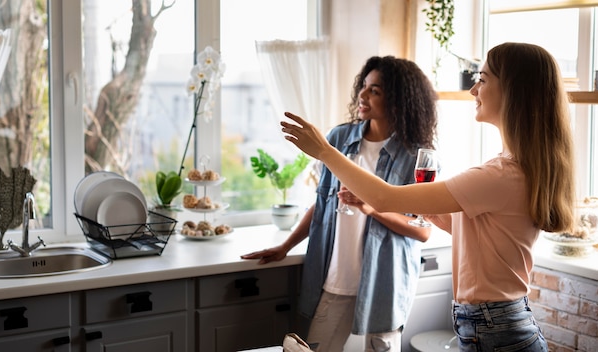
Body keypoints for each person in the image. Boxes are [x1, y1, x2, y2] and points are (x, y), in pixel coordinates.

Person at [279, 42, 576, 352]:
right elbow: (456, 224)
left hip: (493, 328)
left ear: (514, 92)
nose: (474, 89)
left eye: (484, 79)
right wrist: (421, 201)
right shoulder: (508, 169)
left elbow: (384, 198)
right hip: (492, 324)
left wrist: (325, 152)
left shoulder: (500, 175)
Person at [242, 56, 438, 351]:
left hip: (385, 281)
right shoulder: (338, 139)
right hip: (336, 276)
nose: (362, 95)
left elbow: (422, 231)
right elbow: (321, 206)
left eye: (376, 90)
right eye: (364, 87)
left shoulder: (416, 156)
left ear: (399, 100)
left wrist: (370, 207)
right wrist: (286, 246)